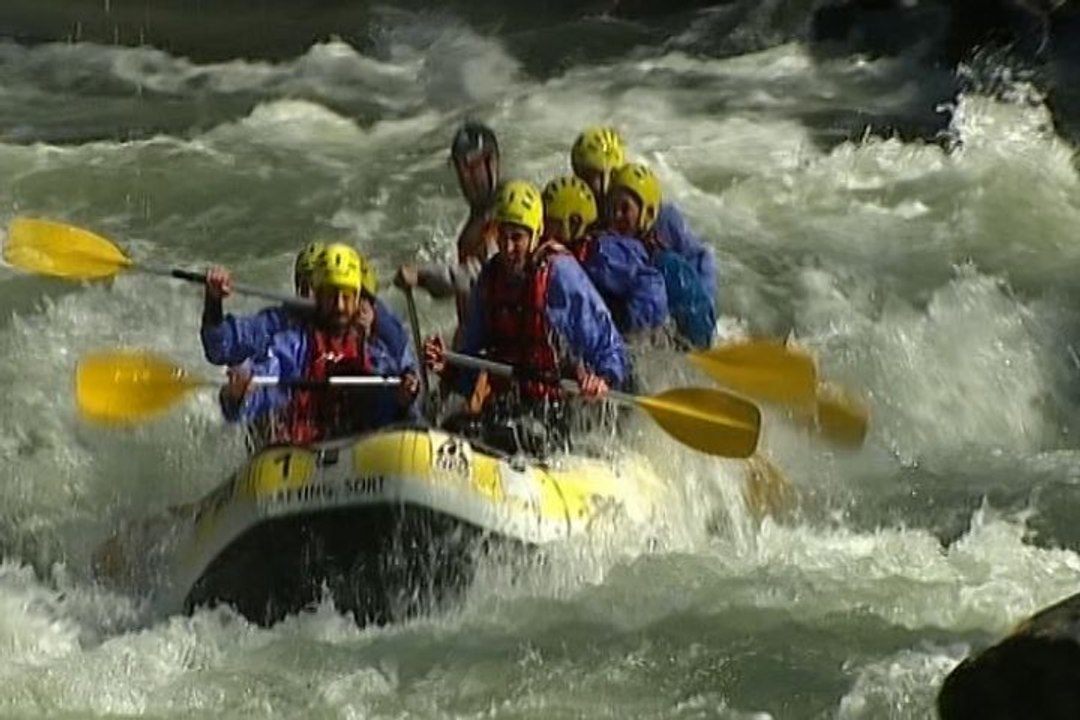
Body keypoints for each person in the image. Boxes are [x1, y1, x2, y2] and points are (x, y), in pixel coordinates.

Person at [423, 180, 629, 457]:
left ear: (536, 235)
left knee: (518, 434)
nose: (507, 248)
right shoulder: (490, 278)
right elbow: (470, 358)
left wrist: (602, 377)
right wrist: (445, 366)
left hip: (554, 410)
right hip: (507, 404)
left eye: (517, 237)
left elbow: (608, 344)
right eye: (503, 236)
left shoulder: (560, 275)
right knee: (457, 429)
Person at [220, 244, 421, 445]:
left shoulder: (378, 350)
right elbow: (263, 387)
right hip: (303, 452)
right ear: (320, 298)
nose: (340, 306)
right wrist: (237, 395)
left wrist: (403, 398)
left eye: (348, 298)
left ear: (360, 299)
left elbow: (391, 409)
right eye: (331, 296)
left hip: (361, 449)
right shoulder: (295, 344)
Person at [570, 125, 718, 314]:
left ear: (614, 174)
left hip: (664, 304)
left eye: (593, 177)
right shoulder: (583, 219)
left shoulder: (661, 216)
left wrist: (702, 311)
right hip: (622, 303)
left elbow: (699, 259)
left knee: (669, 264)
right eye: (581, 177)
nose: (587, 186)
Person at [201, 240, 407, 367]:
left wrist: (375, 323)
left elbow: (400, 351)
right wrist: (214, 299)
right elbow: (219, 348)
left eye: (318, 289)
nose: (309, 294)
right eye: (304, 286)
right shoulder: (280, 324)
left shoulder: (367, 316)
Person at [393, 121, 501, 326]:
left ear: (491, 162)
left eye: (471, 167)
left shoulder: (509, 215)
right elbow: (460, 288)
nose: (465, 178)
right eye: (459, 168)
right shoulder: (472, 226)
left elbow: (478, 276)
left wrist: (422, 276)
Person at [541, 175, 669, 342]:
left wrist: (624, 327)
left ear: (574, 222)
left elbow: (652, 285)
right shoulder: (562, 256)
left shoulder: (601, 253)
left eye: (552, 223)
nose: (544, 231)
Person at [607, 162, 716, 349]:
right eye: (613, 207)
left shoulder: (666, 222)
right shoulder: (609, 243)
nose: (617, 215)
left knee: (671, 267)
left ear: (647, 212)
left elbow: (699, 260)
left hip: (679, 314)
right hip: (637, 322)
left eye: (625, 209)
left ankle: (699, 345)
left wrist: (705, 314)